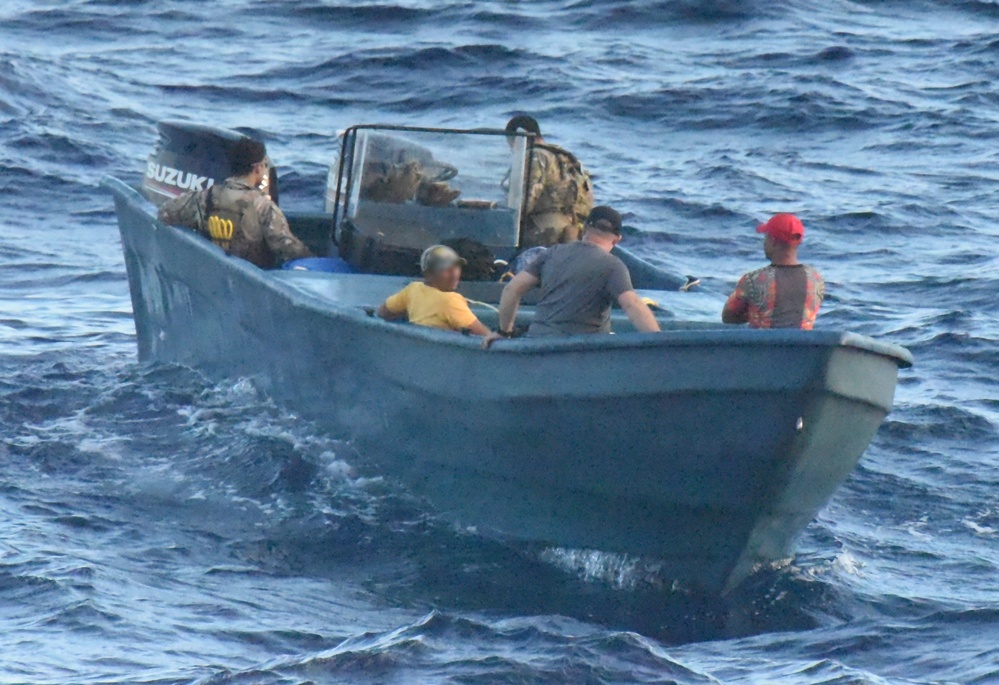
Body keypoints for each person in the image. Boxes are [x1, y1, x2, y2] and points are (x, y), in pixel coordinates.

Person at [484, 206, 660, 346]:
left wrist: (503, 332)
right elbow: (632, 305)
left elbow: (512, 289)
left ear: (584, 229)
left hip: (537, 342)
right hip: (580, 352)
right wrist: (660, 344)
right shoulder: (613, 266)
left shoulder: (551, 253)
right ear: (617, 240)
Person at [157, 137, 312, 269]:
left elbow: (165, 212)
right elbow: (286, 247)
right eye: (265, 164)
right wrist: (311, 259)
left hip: (215, 271)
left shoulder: (205, 197)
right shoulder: (263, 207)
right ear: (257, 168)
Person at [722, 213, 825, 329]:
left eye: (766, 237)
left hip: (762, 346)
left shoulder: (753, 280)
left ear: (773, 241)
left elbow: (728, 317)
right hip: (801, 346)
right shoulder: (816, 279)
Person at [505, 115, 594, 248]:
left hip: (544, 233)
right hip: (574, 231)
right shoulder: (565, 157)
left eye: (510, 143)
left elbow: (522, 204)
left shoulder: (535, 156)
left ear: (519, 137)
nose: (512, 149)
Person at [377, 245, 492, 336]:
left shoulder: (413, 289)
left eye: (456, 267)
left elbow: (382, 313)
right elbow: (487, 338)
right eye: (446, 270)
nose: (454, 275)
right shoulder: (451, 301)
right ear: (428, 273)